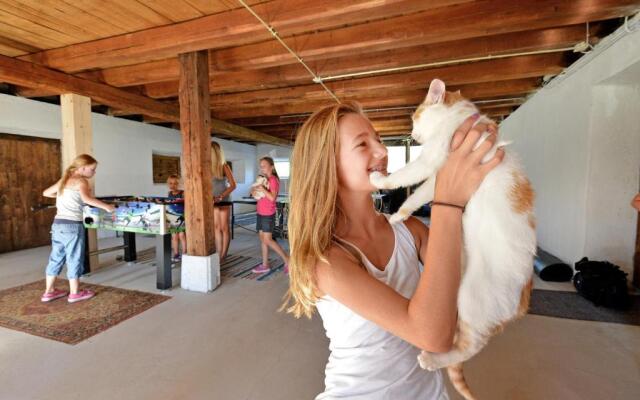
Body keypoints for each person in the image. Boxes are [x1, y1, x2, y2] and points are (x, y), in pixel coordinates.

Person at [283, 102, 502, 399]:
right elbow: (432, 336)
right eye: (362, 144)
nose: (382, 151)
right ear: (328, 165)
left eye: (378, 139)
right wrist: (447, 204)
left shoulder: (408, 229)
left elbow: (472, 274)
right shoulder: (327, 261)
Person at [41, 154, 115, 303]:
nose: (94, 173)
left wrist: (64, 197)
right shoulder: (81, 181)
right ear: (82, 168)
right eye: (92, 169)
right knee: (74, 257)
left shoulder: (64, 180)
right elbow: (87, 199)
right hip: (72, 226)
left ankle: (49, 292)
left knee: (56, 258)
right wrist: (107, 207)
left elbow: (46, 193)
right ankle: (74, 293)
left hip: (57, 225)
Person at [251, 157, 290, 274]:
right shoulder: (263, 179)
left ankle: (287, 259)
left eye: (264, 165)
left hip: (268, 213)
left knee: (267, 239)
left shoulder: (273, 180)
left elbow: (272, 198)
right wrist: (254, 191)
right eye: (260, 165)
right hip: (260, 212)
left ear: (271, 167)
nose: (261, 167)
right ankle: (265, 264)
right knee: (263, 239)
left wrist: (262, 189)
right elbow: (257, 195)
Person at [211, 142, 237, 262]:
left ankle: (224, 254)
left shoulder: (224, 166)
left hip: (224, 200)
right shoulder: (207, 166)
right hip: (212, 201)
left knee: (224, 228)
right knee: (216, 227)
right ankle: (218, 252)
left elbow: (233, 185)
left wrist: (221, 196)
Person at [167, 174, 187, 262]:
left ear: (179, 184)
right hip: (172, 218)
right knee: (174, 236)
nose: (173, 185)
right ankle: (176, 253)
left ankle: (185, 252)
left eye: (175, 183)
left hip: (181, 217)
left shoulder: (183, 193)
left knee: (182, 235)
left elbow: (186, 205)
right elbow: (168, 206)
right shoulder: (169, 193)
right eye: (170, 183)